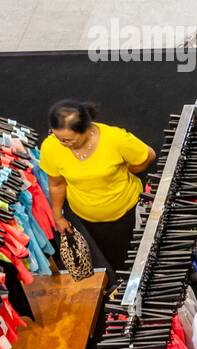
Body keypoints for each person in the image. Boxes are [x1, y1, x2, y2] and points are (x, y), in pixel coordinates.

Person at [39, 100, 156, 272]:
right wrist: (57, 217)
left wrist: (129, 169)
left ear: (85, 129)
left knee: (144, 254)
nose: (63, 143)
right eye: (58, 137)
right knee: (116, 258)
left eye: (68, 139)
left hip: (128, 213)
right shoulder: (51, 146)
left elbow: (148, 156)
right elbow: (56, 183)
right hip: (90, 220)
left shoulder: (115, 138)